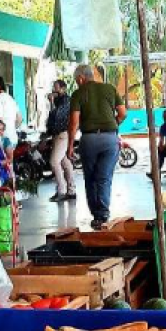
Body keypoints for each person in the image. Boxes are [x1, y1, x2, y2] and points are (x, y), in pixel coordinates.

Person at [68, 64, 127, 229]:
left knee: (91, 178)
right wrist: (112, 124)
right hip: (110, 139)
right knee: (104, 177)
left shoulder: (78, 93)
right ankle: (103, 214)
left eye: (76, 80)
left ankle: (97, 215)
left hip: (89, 139)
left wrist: (70, 145)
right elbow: (123, 113)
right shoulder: (110, 89)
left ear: (81, 78)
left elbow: (74, 123)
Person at [46, 79, 76, 202]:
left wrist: (51, 102)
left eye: (56, 87)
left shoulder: (66, 101)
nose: (54, 90)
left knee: (54, 162)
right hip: (57, 134)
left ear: (63, 89)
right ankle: (71, 190)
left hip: (62, 134)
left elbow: (56, 116)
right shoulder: (60, 100)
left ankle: (61, 190)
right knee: (65, 162)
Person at [0, 75, 22, 147]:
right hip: (13, 138)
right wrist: (11, 129)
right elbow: (19, 118)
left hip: (3, 141)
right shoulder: (11, 98)